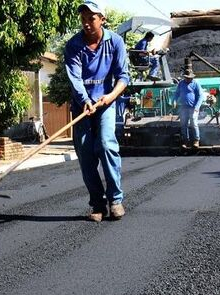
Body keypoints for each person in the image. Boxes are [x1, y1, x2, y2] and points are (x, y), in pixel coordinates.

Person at [65, 0, 130, 222]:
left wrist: (110, 96)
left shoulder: (116, 42)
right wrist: (85, 100)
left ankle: (116, 200)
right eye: (83, 19)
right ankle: (97, 204)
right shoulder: (74, 45)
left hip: (106, 104)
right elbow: (75, 78)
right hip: (82, 105)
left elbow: (123, 76)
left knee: (105, 144)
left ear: (102, 19)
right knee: (85, 154)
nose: (86, 23)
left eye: (91, 18)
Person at [173, 69, 203, 149]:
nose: (189, 79)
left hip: (193, 108)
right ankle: (185, 141)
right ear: (185, 77)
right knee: (183, 125)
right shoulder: (181, 84)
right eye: (187, 78)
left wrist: (197, 107)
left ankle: (196, 140)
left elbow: (201, 96)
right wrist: (174, 101)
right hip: (184, 107)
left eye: (190, 78)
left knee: (194, 123)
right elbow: (177, 93)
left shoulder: (195, 84)